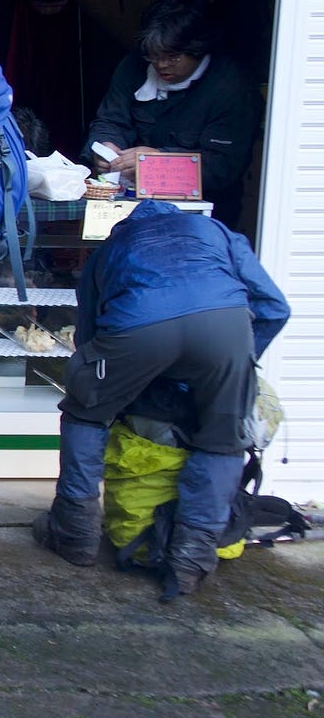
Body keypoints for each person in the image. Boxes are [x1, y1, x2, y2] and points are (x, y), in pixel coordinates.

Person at [32, 200, 289, 599]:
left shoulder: (114, 247)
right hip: (225, 327)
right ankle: (189, 562)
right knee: (223, 440)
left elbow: (88, 338)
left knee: (85, 413)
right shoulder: (215, 231)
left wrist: (119, 384)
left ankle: (75, 535)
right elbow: (274, 307)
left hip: (139, 326)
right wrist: (237, 367)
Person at [86, 0, 258, 228]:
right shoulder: (133, 67)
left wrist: (158, 162)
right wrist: (105, 145)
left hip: (204, 216)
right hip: (130, 204)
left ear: (198, 49)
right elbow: (110, 120)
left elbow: (223, 166)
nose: (161, 64)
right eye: (153, 55)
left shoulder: (231, 88)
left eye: (173, 57)